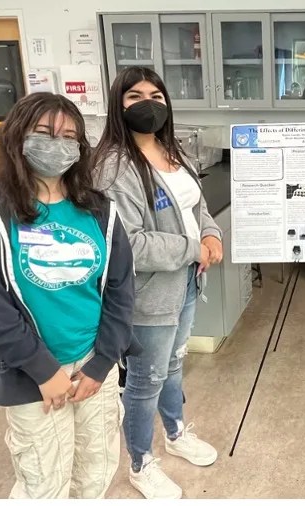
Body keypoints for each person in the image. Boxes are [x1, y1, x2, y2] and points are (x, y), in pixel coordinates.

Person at [0, 92, 136, 499]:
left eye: (69, 136)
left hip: (94, 365)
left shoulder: (99, 210)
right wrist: (44, 370)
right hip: (31, 373)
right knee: (44, 480)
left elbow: (122, 288)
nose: (57, 145)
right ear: (17, 137)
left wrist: (102, 362)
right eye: (44, 133)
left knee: (96, 468)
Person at [94, 66, 223, 500]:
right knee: (145, 377)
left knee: (173, 364)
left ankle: (174, 431)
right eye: (134, 96)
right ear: (118, 105)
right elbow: (128, 244)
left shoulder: (173, 152)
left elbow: (198, 206)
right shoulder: (113, 168)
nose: (148, 103)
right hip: (147, 294)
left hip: (184, 284)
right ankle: (139, 462)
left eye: (156, 95)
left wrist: (211, 236)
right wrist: (193, 248)